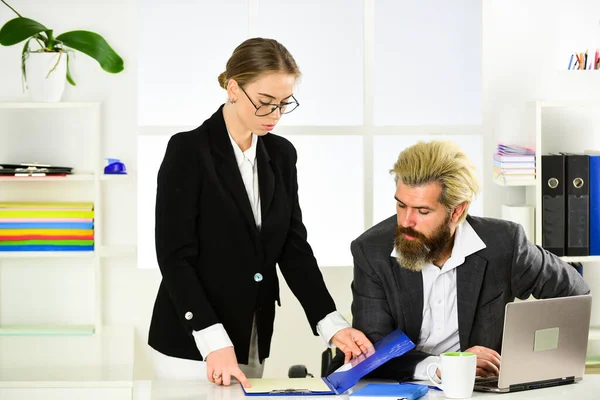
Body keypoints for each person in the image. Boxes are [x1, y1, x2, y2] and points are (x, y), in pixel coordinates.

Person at [148, 37, 371, 387]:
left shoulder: (281, 155)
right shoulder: (188, 150)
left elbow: (292, 246)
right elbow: (174, 257)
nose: (276, 115)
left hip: (252, 335)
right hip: (191, 340)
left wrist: (333, 325)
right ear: (233, 88)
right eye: (265, 103)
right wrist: (212, 339)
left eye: (284, 104)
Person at [347, 140, 590, 381]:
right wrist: (445, 366)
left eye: (423, 211)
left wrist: (519, 355)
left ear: (457, 211)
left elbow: (574, 292)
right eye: (401, 205)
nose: (406, 221)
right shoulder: (371, 251)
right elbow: (373, 352)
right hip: (404, 385)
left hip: (482, 389)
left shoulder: (504, 242)